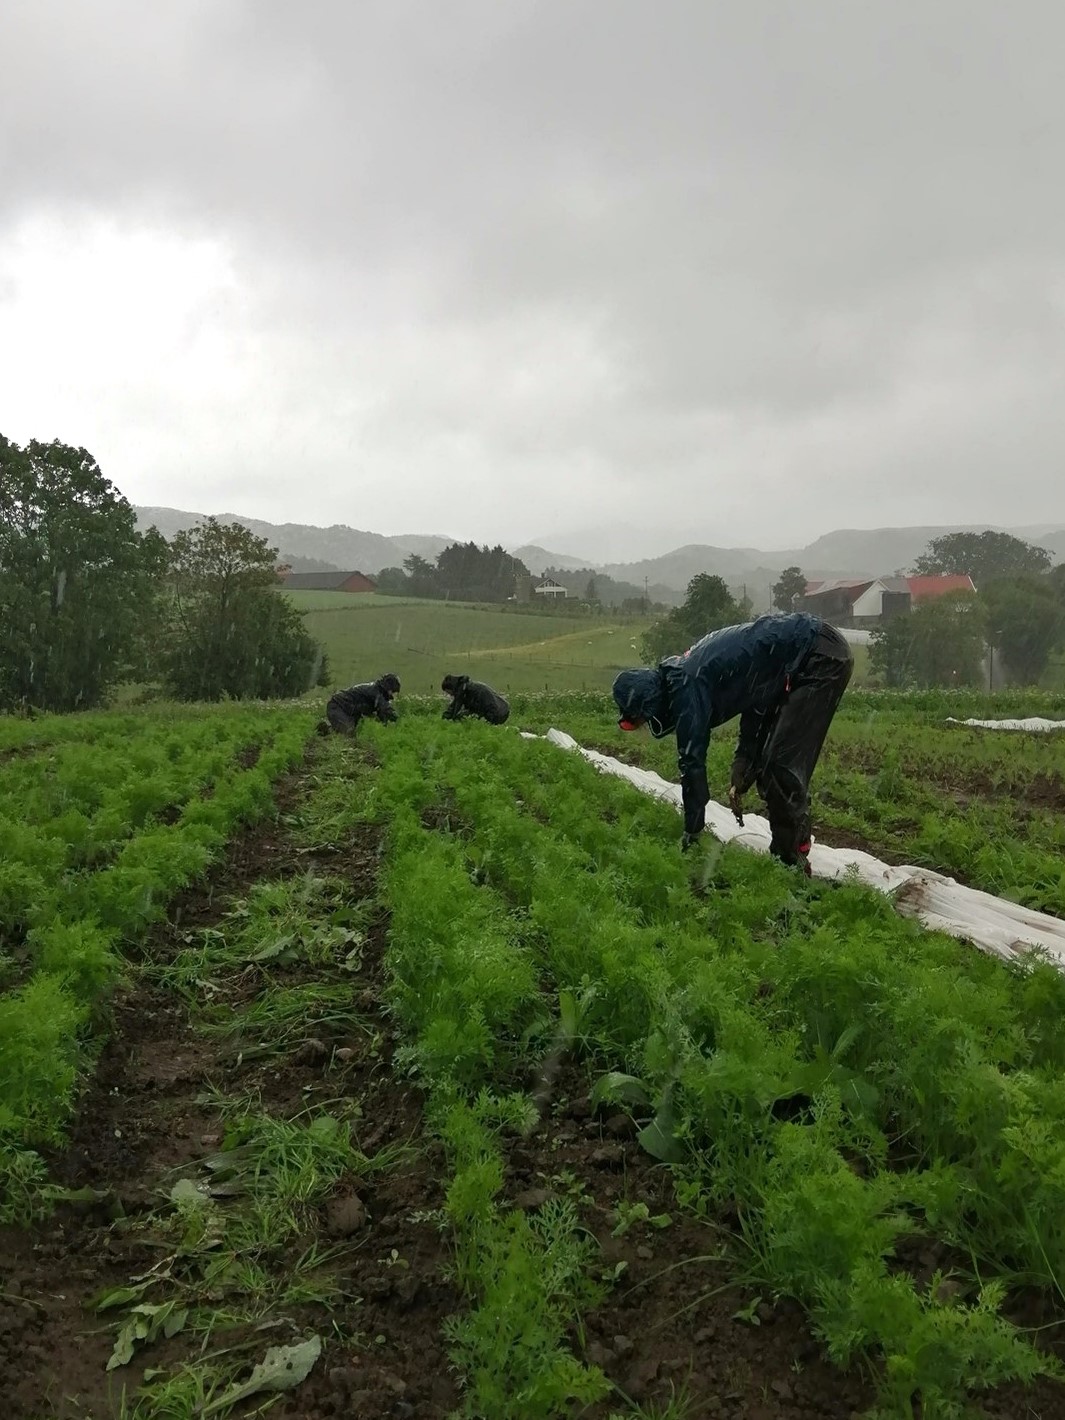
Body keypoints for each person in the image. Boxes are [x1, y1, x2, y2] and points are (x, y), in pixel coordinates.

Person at [612, 613, 852, 873]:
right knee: (769, 765)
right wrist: (744, 764)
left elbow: (692, 763)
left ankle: (790, 864)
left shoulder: (687, 688)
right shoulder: (684, 675)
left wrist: (692, 832)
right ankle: (791, 853)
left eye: (644, 720)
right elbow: (755, 701)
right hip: (803, 657)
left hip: (819, 656)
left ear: (650, 704)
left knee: (781, 767)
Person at [321, 672, 401, 735]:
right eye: (392, 691)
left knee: (352, 732)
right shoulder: (375, 692)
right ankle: (325, 728)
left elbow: (382, 714)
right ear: (388, 688)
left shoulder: (377, 693)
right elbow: (386, 709)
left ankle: (326, 728)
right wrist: (400, 720)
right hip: (338, 705)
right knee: (347, 732)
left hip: (347, 711)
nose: (392, 694)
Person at [441, 673, 510, 724]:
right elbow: (454, 706)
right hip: (501, 710)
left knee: (463, 718)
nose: (450, 695)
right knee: (462, 717)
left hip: (499, 713)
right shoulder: (463, 689)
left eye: (448, 692)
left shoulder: (472, 690)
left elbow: (491, 706)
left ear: (452, 688)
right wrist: (444, 718)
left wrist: (488, 723)